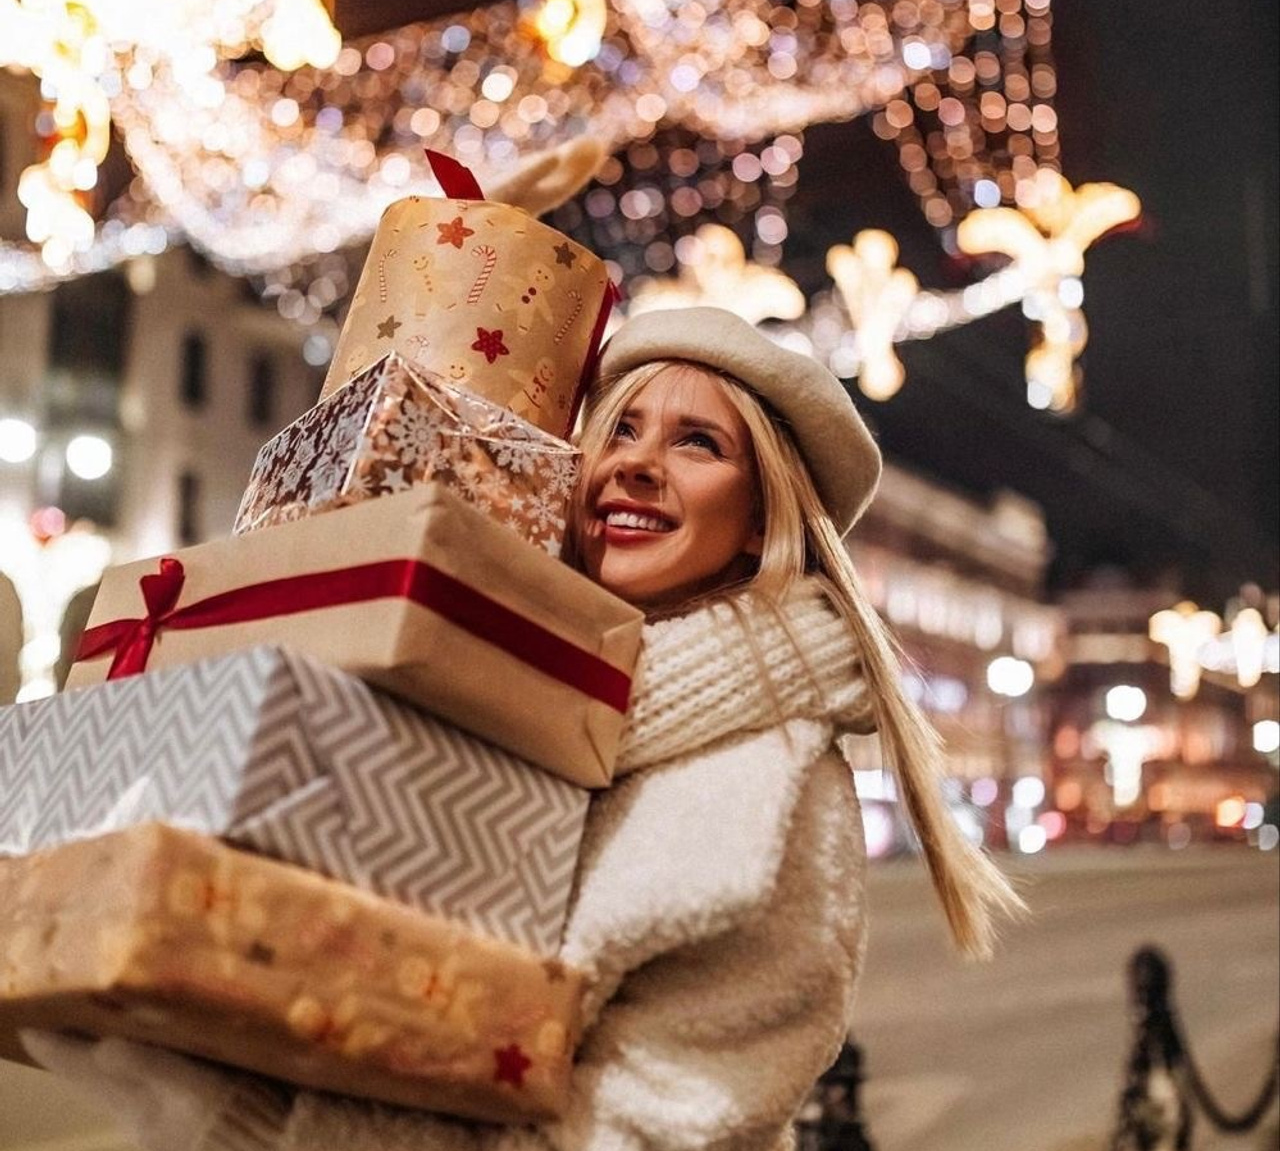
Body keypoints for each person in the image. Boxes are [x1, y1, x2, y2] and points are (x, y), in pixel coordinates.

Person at [24, 306, 1023, 1150]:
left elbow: (667, 1117)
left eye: (695, 442)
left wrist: (266, 1120)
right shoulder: (493, 695)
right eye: (619, 432)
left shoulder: (776, 779)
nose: (635, 465)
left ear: (762, 518)